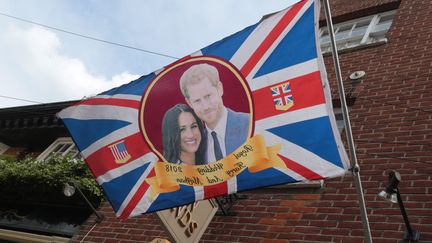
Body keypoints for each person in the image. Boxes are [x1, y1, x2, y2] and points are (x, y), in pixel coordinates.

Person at [179, 63, 250, 163]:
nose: (205, 107)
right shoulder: (195, 145)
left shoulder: (250, 123)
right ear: (189, 103)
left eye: (208, 96)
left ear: (220, 89)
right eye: (197, 101)